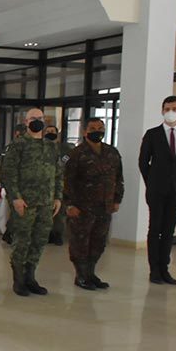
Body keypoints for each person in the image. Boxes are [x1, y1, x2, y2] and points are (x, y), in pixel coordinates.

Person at [0, 108, 62, 297]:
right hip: (25, 203)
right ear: (26, 122)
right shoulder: (18, 145)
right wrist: (16, 198)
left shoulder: (51, 147)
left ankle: (31, 277)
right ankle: (19, 280)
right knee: (22, 240)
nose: (37, 121)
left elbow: (58, 174)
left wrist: (58, 196)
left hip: (46, 202)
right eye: (33, 118)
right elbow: (7, 174)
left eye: (40, 118)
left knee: (39, 240)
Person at [64, 118, 124, 290]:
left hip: (104, 207)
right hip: (81, 208)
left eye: (100, 128)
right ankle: (81, 276)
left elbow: (119, 178)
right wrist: (69, 204)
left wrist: (117, 199)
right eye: (92, 128)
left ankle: (91, 273)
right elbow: (66, 181)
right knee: (80, 243)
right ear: (85, 132)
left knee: (98, 242)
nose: (97, 131)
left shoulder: (112, 152)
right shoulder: (75, 154)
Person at [139, 95, 176, 285]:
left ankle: (165, 268)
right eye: (167, 108)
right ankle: (154, 269)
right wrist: (152, 183)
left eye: (174, 108)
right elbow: (143, 162)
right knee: (154, 228)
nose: (170, 112)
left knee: (168, 230)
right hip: (157, 190)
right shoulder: (152, 134)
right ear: (162, 111)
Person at [44, 125, 76, 245]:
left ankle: (57, 234)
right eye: (47, 131)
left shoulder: (66, 149)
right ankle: (46, 234)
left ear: (57, 133)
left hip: (62, 184)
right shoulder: (41, 148)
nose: (50, 133)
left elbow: (70, 165)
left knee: (60, 211)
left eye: (52, 131)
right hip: (44, 185)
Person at [1, 123, 28, 245]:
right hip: (13, 186)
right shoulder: (11, 148)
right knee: (16, 212)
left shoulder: (30, 148)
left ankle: (12, 233)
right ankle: (10, 233)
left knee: (19, 213)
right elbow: (5, 169)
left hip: (25, 186)